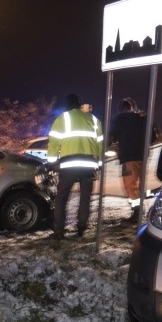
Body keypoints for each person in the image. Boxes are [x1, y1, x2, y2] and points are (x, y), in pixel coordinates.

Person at [46, 93, 103, 240]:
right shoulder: (93, 119)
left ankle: (59, 230)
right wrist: (100, 163)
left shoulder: (62, 119)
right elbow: (100, 144)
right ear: (79, 104)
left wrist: (52, 162)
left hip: (69, 165)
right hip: (88, 164)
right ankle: (81, 228)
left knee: (62, 197)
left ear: (67, 105)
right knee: (85, 197)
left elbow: (53, 143)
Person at [109, 97, 156, 222]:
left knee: (130, 185)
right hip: (143, 156)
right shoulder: (143, 118)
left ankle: (137, 213)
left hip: (128, 156)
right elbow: (153, 136)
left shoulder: (120, 119)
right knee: (139, 183)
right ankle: (140, 211)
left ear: (121, 109)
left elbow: (112, 137)